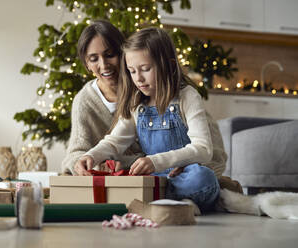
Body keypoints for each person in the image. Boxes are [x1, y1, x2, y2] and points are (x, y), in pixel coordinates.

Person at [75, 27, 227, 212]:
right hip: (153, 179)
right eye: (132, 71)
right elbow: (114, 142)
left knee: (203, 178)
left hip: (182, 175)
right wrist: (91, 155)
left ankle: (161, 201)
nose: (138, 79)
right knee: (125, 180)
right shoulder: (136, 103)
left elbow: (203, 150)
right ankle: (173, 202)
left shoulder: (187, 96)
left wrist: (156, 161)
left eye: (145, 69)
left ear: (169, 66)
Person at [61, 20, 143, 175]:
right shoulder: (84, 101)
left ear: (122, 54)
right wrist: (93, 165)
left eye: (110, 55)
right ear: (86, 64)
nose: (104, 65)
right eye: (94, 59)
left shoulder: (143, 87)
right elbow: (74, 155)